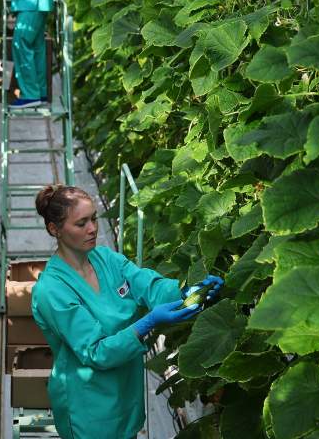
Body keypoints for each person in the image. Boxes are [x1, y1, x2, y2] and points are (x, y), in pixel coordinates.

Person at [31, 185, 224, 439]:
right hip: (88, 407)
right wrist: (148, 322)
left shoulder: (105, 259)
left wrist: (186, 291)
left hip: (126, 395)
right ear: (54, 229)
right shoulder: (52, 290)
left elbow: (147, 285)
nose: (92, 229)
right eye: (81, 223)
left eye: (93, 219)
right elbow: (96, 351)